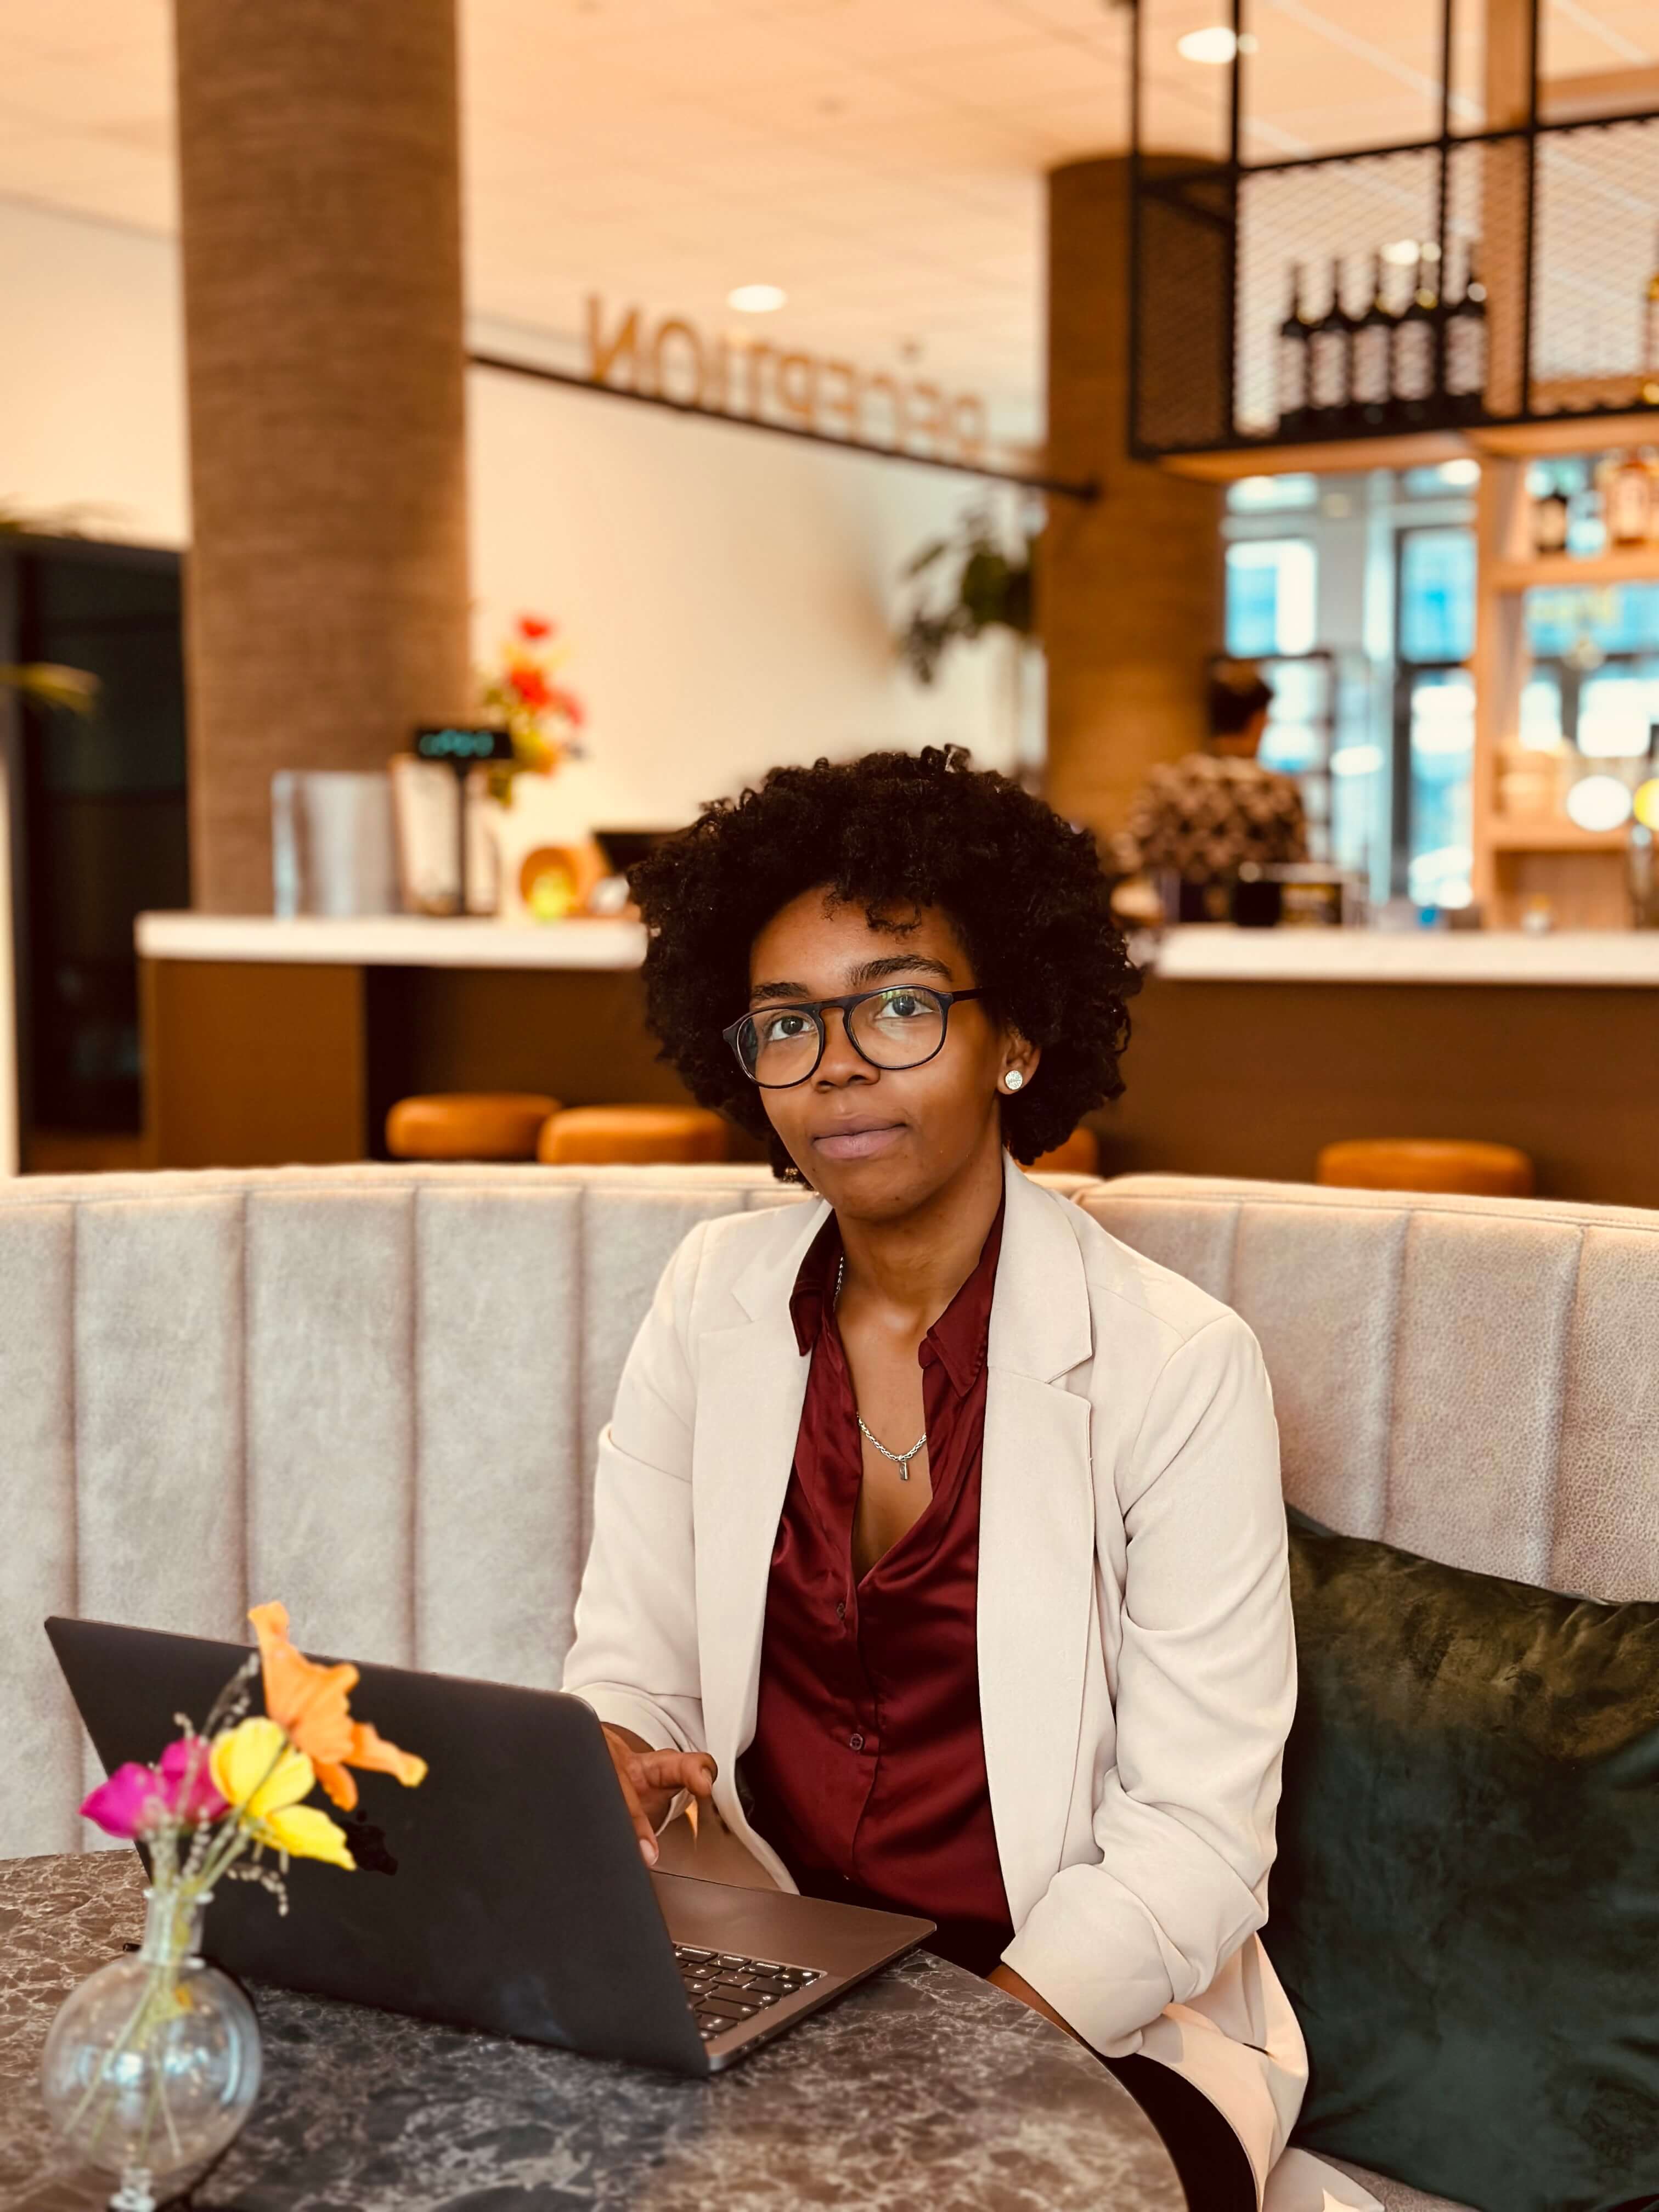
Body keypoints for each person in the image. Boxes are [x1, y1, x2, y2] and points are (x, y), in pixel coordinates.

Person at [562, 746, 1377, 2212]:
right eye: (787, 1024)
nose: (838, 1066)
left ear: (1016, 1037)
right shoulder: (711, 1298)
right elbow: (634, 1665)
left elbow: (1195, 1843)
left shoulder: (1178, 1363)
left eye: (898, 1005)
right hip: (775, 1972)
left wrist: (943, 2068)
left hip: (1090, 2021)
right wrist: (616, 1752)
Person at [1116, 664, 1307, 916]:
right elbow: (1300, 873)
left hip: (1179, 930)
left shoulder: (1166, 784)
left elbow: (1127, 857)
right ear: (1259, 722)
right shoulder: (1279, 791)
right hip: (1258, 933)